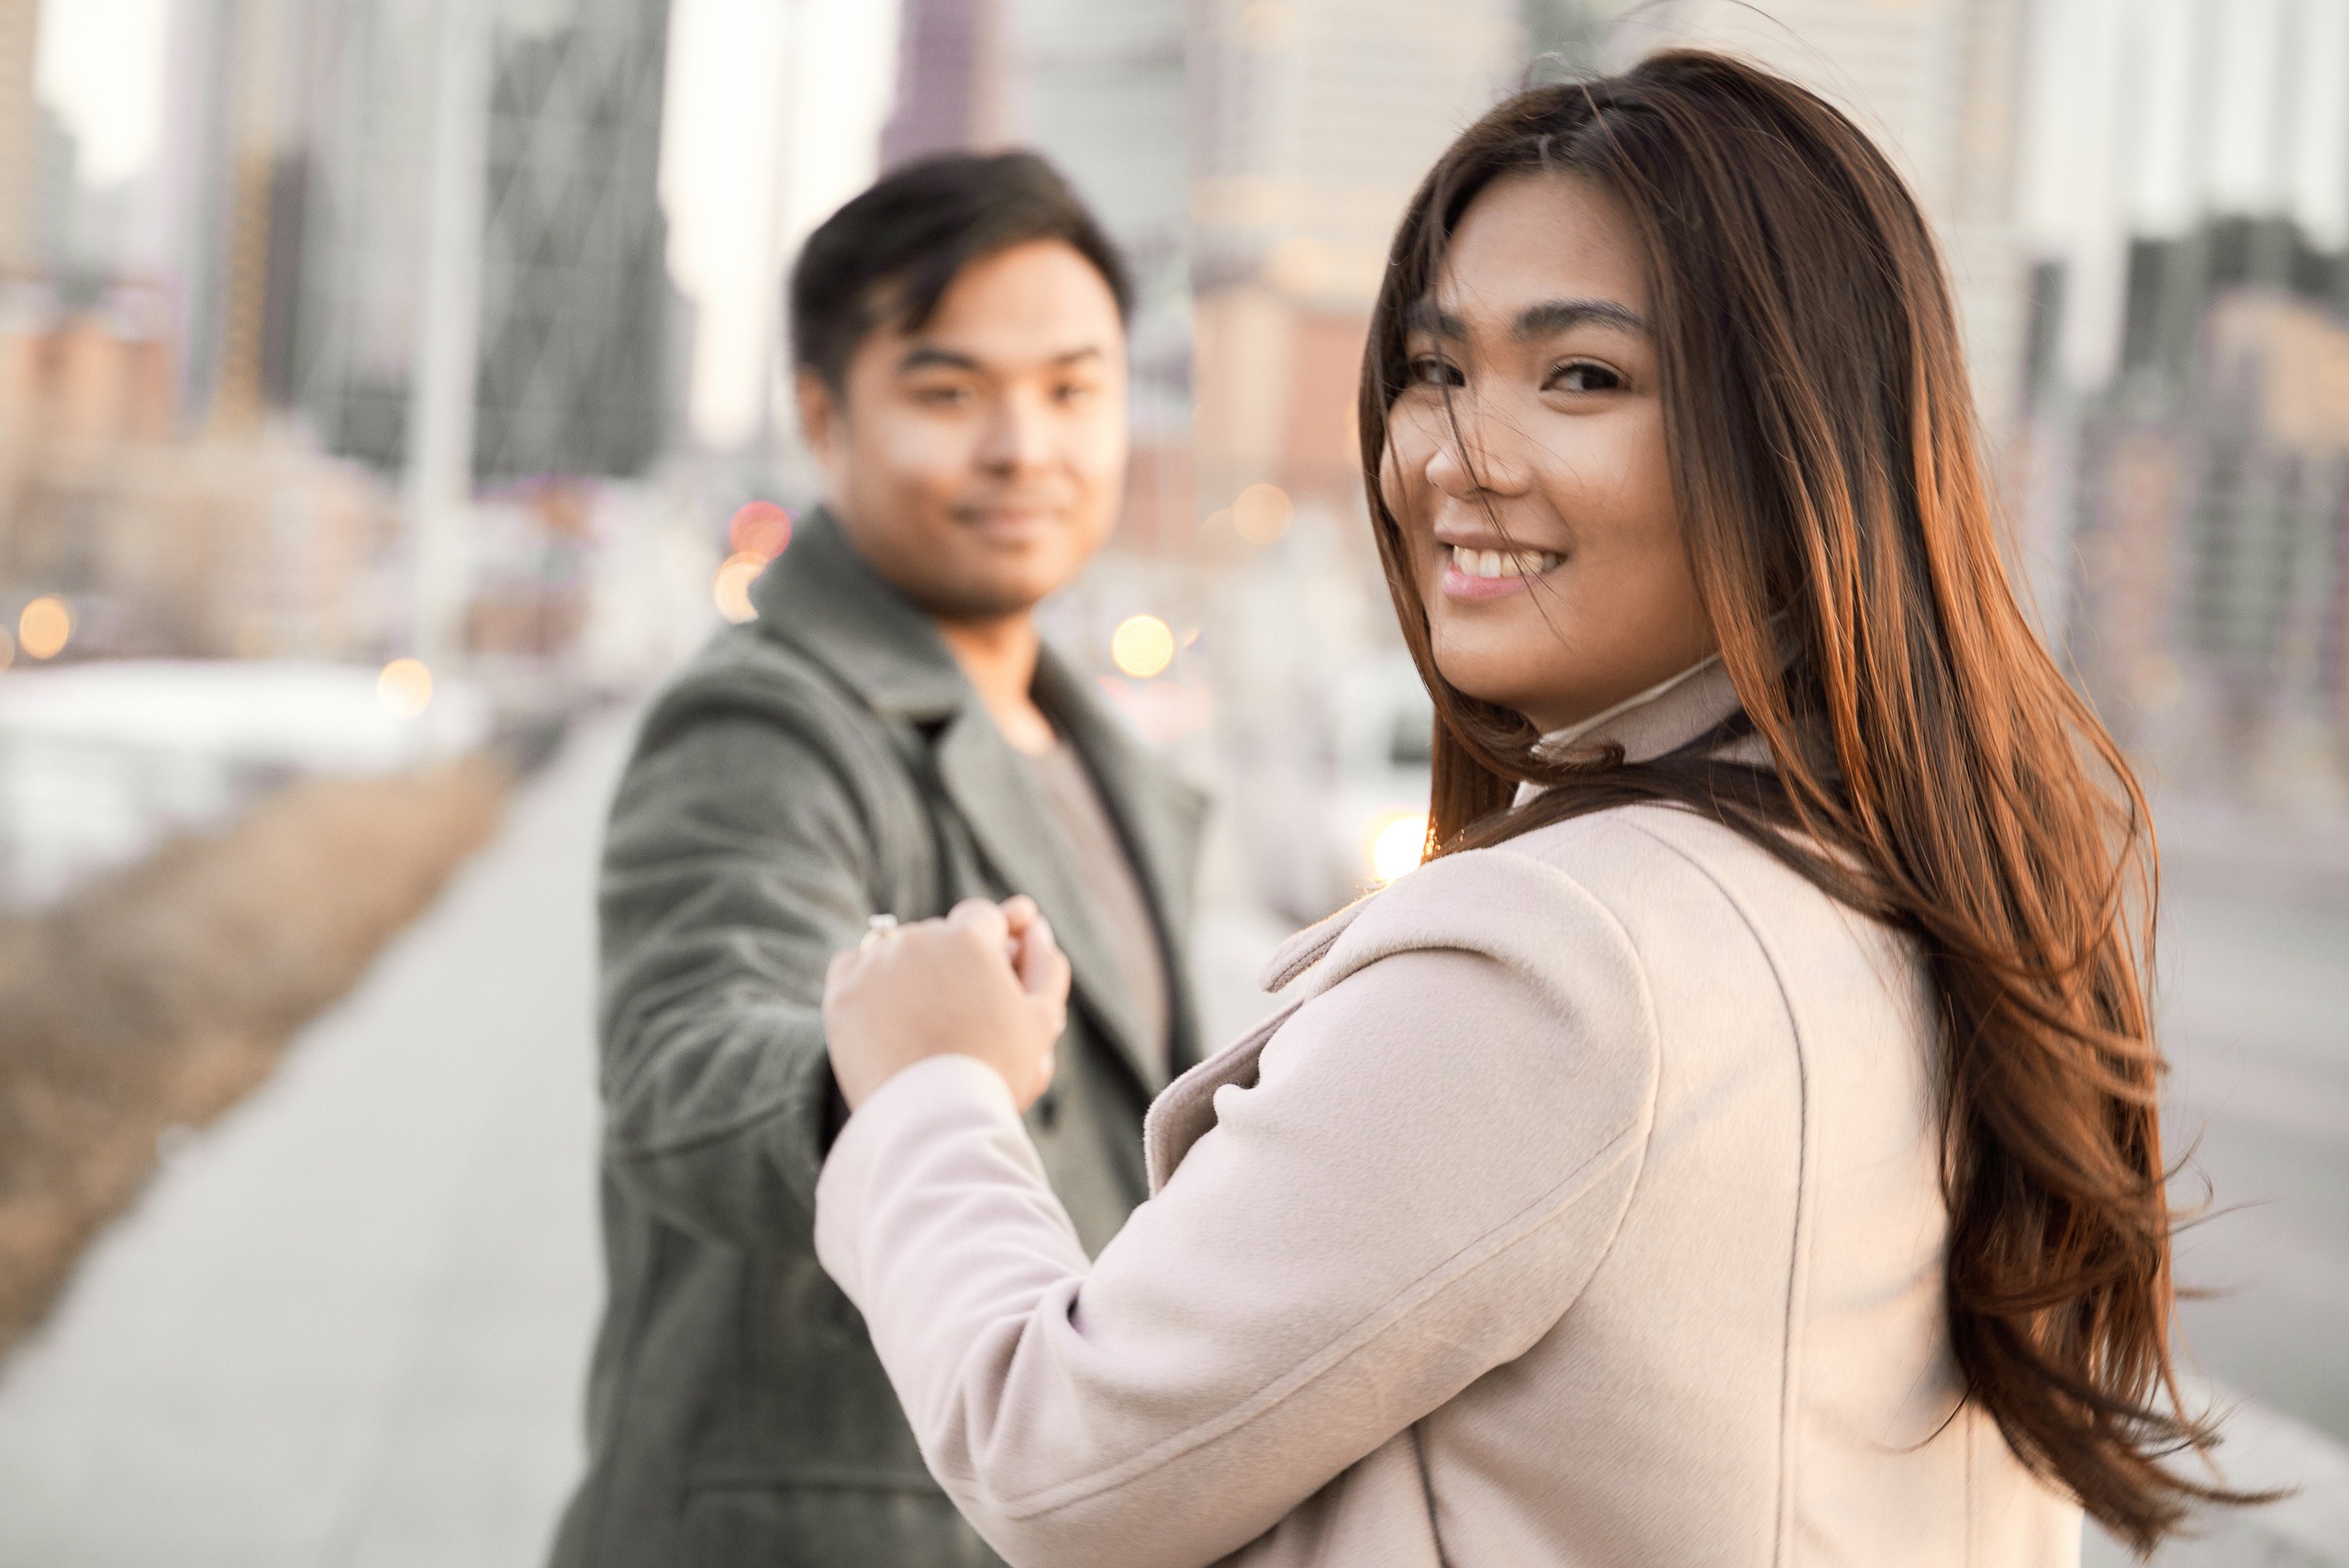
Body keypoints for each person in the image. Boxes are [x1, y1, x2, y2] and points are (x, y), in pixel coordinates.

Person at [808, 51, 2255, 1568]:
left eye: (1583, 377)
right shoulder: (1921, 898)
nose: (1453, 457)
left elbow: (1055, 1456)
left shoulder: (1567, 966)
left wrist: (929, 1093)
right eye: (1435, 370)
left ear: (1798, 443)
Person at [550, 151, 1207, 1568]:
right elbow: (684, 1060)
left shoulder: (1102, 749)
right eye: (949, 390)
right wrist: (883, 1068)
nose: (1024, 445)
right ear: (821, 414)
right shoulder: (771, 715)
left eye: (1073, 389)